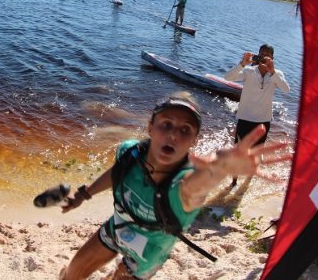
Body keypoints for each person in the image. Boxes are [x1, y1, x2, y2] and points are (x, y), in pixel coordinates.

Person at [58, 92, 290, 279]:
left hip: (148, 252)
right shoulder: (130, 152)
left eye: (185, 130)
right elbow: (117, 173)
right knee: (71, 273)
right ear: (150, 127)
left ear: (194, 140)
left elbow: (201, 182)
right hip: (117, 227)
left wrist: (221, 168)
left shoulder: (186, 183)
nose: (173, 135)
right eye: (166, 124)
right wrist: (85, 194)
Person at [224, 44, 290, 186]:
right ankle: (234, 181)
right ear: (257, 55)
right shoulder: (248, 71)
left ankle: (249, 179)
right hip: (245, 118)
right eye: (262, 54)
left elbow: (286, 89)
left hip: (263, 120)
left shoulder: (276, 74)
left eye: (268, 55)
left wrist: (272, 72)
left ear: (272, 58)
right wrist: (242, 64)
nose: (264, 57)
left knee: (256, 153)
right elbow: (228, 77)